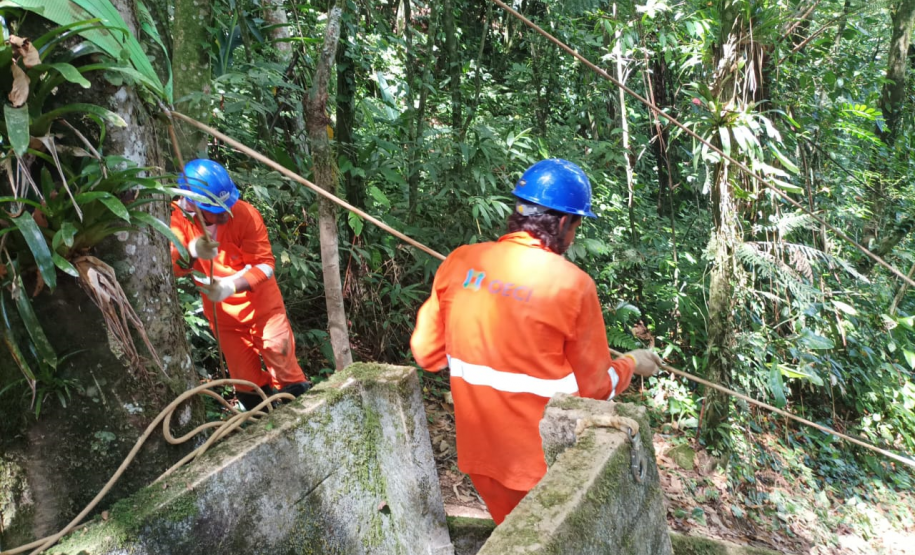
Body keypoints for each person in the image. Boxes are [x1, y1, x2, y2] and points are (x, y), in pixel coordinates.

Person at [410, 158, 661, 524]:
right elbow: (594, 389)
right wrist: (632, 363)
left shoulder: (461, 262)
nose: (573, 238)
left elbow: (427, 354)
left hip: (480, 460)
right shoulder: (573, 285)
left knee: (511, 534)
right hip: (543, 467)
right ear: (563, 222)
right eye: (576, 227)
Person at [170, 159, 311, 410]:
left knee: (283, 363)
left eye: (228, 205)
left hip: (263, 308)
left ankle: (302, 414)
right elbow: (174, 268)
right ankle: (261, 422)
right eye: (217, 209)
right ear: (194, 205)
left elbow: (264, 264)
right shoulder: (180, 220)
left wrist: (230, 286)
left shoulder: (245, 214)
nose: (226, 213)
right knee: (245, 382)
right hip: (225, 319)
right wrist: (192, 250)